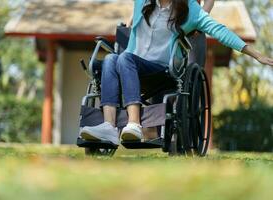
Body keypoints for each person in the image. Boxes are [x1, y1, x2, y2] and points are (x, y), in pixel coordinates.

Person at [79, 0, 273, 145]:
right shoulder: (143, 3)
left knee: (123, 58)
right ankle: (109, 127)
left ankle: (134, 123)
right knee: (111, 59)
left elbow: (220, 31)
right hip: (130, 64)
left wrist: (256, 55)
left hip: (160, 69)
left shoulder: (190, 10)